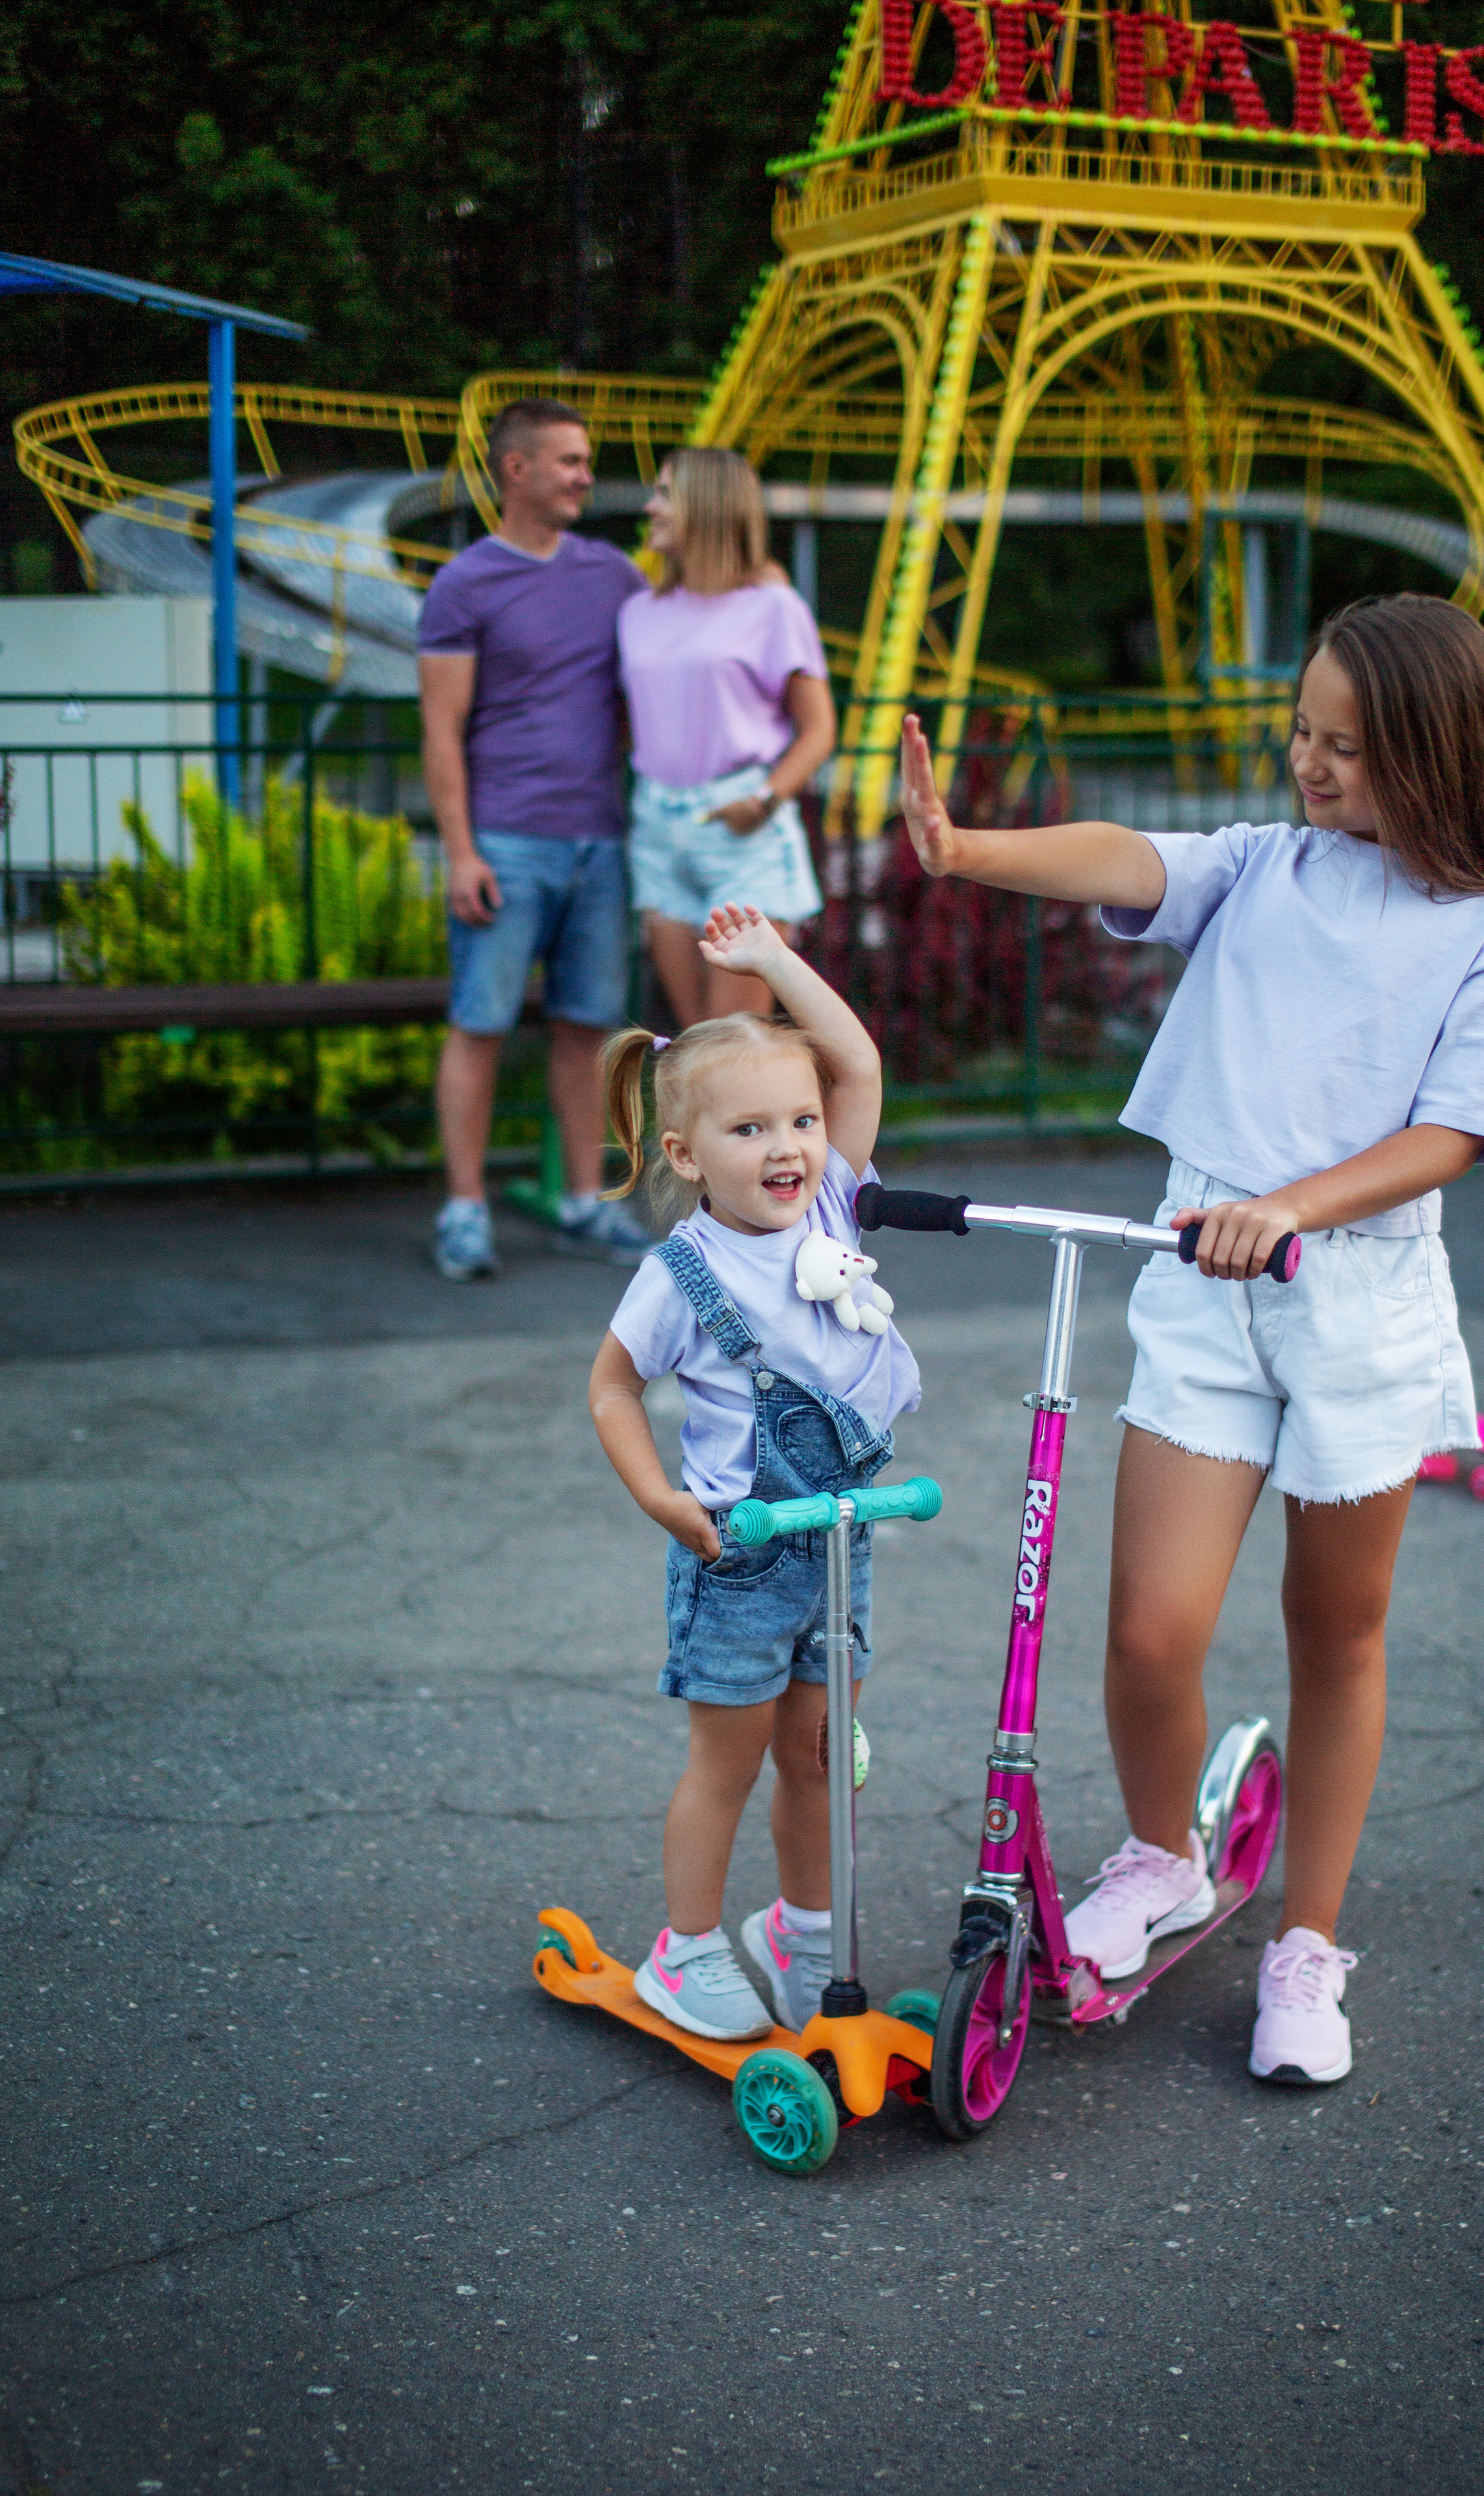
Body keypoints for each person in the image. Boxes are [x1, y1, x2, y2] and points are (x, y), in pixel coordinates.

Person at [896, 593, 1484, 2087]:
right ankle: (1157, 1852)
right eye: (1300, 732)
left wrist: (1291, 1203)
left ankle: (1305, 1943)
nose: (1307, 765)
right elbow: (1134, 858)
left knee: (1335, 1635)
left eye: (1343, 747)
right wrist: (964, 848)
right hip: (1199, 1270)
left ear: (1433, 755)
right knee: (1148, 1628)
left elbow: (1453, 1129)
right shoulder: (1260, 867)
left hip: (1356, 1295)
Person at [588, 904, 920, 2041]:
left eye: (801, 1121)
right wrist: (656, 1496)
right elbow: (613, 1389)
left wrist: (777, 963)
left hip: (839, 1540)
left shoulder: (834, 1196)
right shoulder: (683, 1271)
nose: (786, 1147)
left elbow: (859, 1060)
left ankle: (802, 1930)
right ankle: (682, 1951)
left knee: (821, 1757)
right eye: (749, 1131)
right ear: (684, 1155)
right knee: (726, 1766)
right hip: (735, 1552)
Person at [419, 396, 651, 1279]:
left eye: (586, 461)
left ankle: (581, 1205)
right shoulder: (465, 583)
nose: (586, 476)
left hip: (600, 842)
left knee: (586, 1032)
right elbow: (441, 731)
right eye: (570, 461)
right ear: (515, 469)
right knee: (479, 1025)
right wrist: (460, 849)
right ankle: (465, 1213)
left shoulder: (616, 576)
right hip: (505, 844)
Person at [618, 447, 836, 1028]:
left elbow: (819, 730)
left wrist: (763, 802)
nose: (650, 507)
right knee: (694, 1048)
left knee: (734, 1045)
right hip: (658, 827)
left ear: (706, 505)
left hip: (743, 828)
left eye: (665, 494)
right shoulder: (637, 611)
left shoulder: (774, 607)